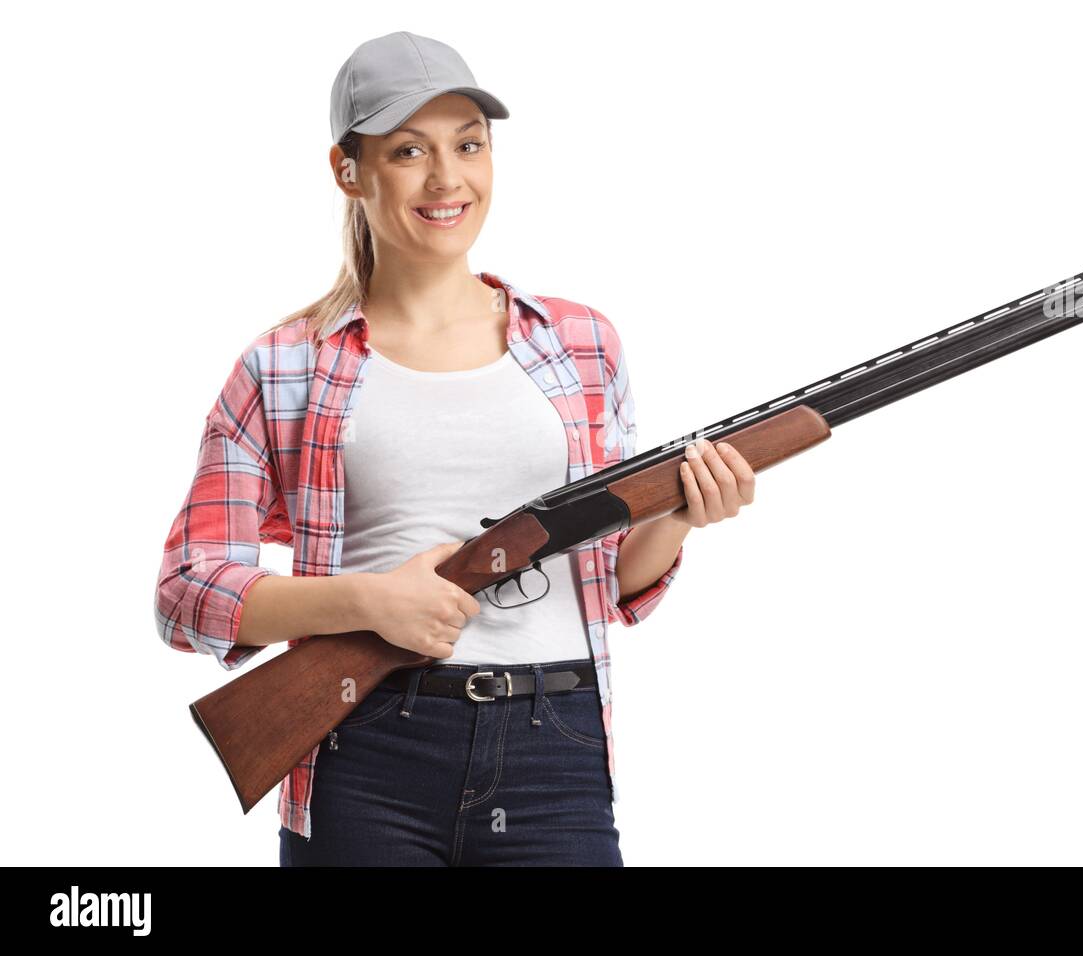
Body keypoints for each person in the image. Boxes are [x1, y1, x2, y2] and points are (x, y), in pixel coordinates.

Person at [154, 31, 756, 866]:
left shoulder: (582, 344)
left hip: (558, 744)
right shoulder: (283, 364)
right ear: (348, 170)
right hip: (365, 750)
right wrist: (370, 604)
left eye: (469, 144)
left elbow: (610, 582)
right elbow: (188, 594)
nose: (448, 178)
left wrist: (683, 517)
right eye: (409, 150)